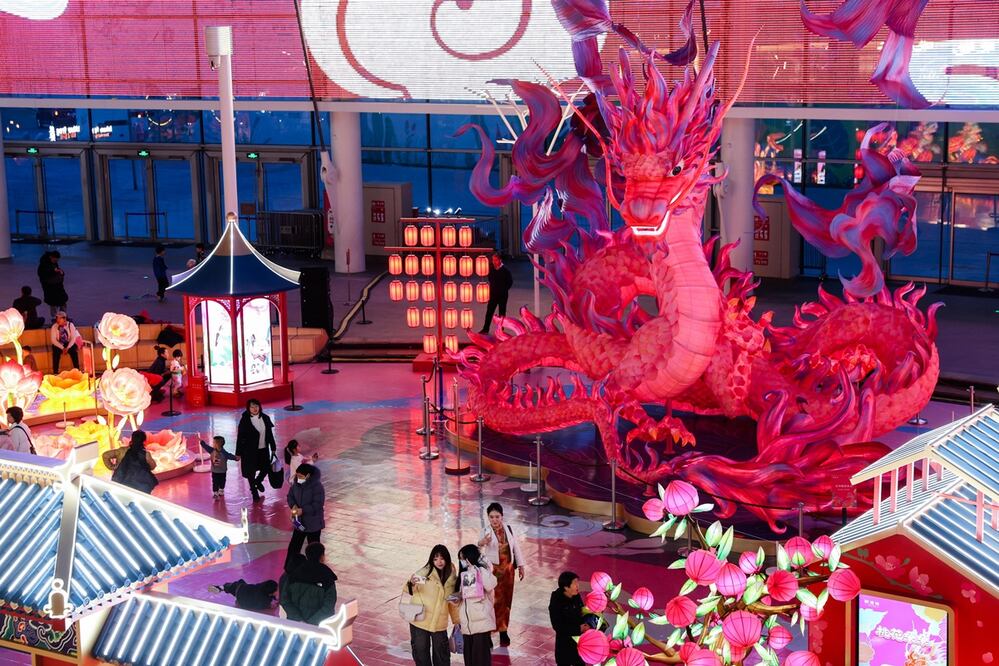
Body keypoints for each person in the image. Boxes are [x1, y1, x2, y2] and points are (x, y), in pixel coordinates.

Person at [477, 502, 525, 647]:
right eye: (491, 517)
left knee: (506, 602)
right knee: (493, 602)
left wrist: (521, 565)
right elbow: (478, 551)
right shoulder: (485, 531)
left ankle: (503, 630)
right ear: (488, 518)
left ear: (502, 516)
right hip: (493, 573)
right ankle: (489, 632)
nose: (494, 520)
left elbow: (515, 547)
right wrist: (482, 542)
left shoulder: (508, 529)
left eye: (497, 516)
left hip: (508, 572)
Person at [405, 544, 459, 666]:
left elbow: (452, 601)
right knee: (420, 651)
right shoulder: (425, 572)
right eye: (435, 559)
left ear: (447, 558)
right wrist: (411, 583)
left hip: (439, 622)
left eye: (442, 558)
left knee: (441, 653)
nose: (439, 562)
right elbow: (409, 589)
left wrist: (457, 620)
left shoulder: (452, 576)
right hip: (420, 619)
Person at [455, 544, 497, 665]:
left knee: (480, 659)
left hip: (481, 622)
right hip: (467, 624)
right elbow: (464, 596)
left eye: (463, 558)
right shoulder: (463, 575)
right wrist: (457, 598)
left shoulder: (482, 571)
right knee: (469, 659)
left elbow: (491, 584)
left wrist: (477, 568)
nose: (462, 561)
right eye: (461, 559)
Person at [281, 542, 338, 625]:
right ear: (322, 556)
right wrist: (311, 623)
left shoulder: (294, 574)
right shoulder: (327, 576)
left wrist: (299, 620)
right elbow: (328, 606)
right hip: (318, 626)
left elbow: (285, 599)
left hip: (295, 624)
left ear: (307, 555)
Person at [235, 399, 276, 503]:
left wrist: (273, 447)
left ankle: (257, 482)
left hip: (263, 449)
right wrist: (238, 453)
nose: (254, 409)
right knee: (250, 472)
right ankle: (254, 491)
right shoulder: (245, 420)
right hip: (249, 451)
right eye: (252, 407)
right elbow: (240, 437)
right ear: (248, 408)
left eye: (256, 406)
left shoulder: (265, 418)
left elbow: (269, 434)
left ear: (259, 407)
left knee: (266, 467)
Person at [287, 463, 325, 564]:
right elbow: (290, 496)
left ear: (308, 475)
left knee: (314, 550)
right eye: (297, 475)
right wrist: (293, 505)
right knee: (294, 546)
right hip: (299, 523)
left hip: (313, 524)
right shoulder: (296, 485)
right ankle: (289, 567)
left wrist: (303, 510)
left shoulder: (317, 487)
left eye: (300, 476)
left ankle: (316, 568)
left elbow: (318, 504)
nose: (298, 478)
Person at [549, 572, 588, 666]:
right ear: (566, 587)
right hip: (564, 646)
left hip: (579, 643)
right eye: (575, 583)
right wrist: (578, 629)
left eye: (578, 582)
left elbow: (581, 611)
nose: (578, 586)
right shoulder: (556, 601)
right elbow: (557, 626)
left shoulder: (576, 595)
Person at [478, 253, 512, 335]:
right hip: (493, 295)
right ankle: (485, 329)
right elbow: (490, 279)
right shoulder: (491, 269)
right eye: (493, 260)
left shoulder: (505, 271)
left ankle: (501, 330)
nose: (494, 262)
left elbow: (510, 282)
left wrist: (503, 289)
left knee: (502, 313)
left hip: (502, 295)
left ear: (500, 260)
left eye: (495, 260)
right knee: (489, 312)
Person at [200, 435, 238, 499]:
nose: (213, 444)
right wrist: (202, 442)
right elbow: (206, 447)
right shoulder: (212, 450)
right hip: (215, 471)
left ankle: (221, 489)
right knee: (215, 482)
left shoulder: (224, 453)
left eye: (214, 442)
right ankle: (215, 493)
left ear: (218, 444)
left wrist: (236, 458)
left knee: (222, 481)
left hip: (222, 471)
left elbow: (230, 456)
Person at [208, 579, 278, 611]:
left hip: (240, 591)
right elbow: (263, 605)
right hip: (244, 603)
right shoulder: (266, 601)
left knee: (234, 586)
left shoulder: (259, 587)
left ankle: (222, 587)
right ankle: (238, 601)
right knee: (241, 588)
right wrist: (270, 604)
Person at [37, 251, 68, 318]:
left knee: (61, 302)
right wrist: (54, 272)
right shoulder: (43, 265)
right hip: (51, 288)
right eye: (55, 260)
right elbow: (43, 275)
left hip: (57, 286)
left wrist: (61, 272)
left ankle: (62, 317)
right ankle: (55, 318)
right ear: (51, 257)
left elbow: (57, 270)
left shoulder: (53, 263)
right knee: (54, 303)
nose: (56, 261)